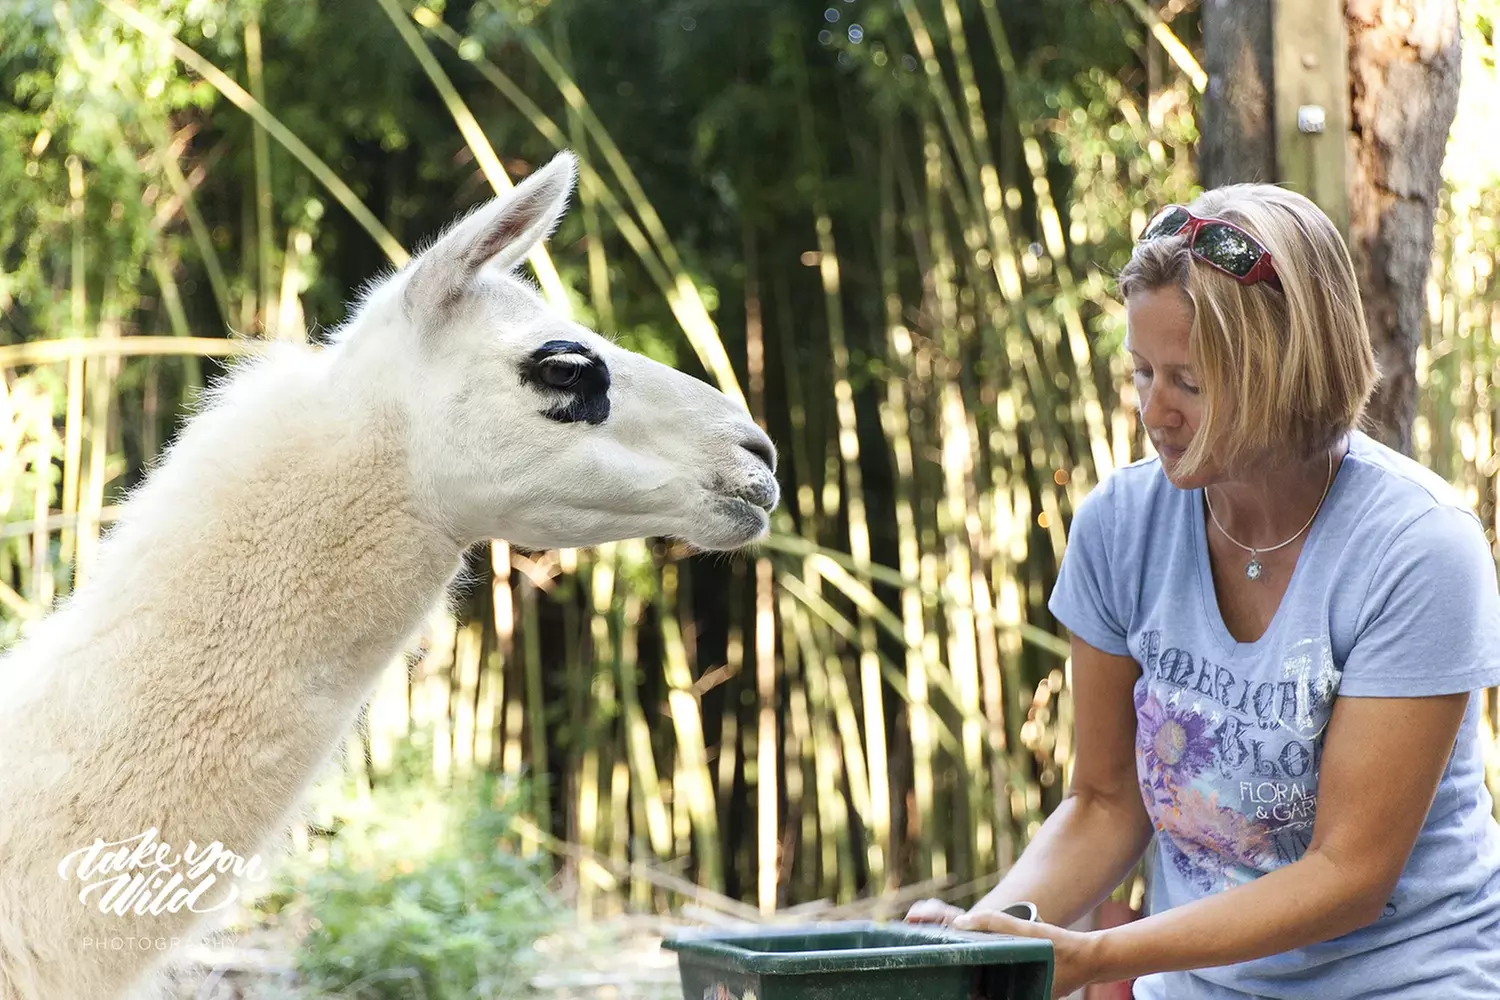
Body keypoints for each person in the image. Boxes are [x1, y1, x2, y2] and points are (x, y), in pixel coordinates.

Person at [906, 184, 1500, 998]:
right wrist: (990, 936)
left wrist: (1100, 959)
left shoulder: (1420, 549)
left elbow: (1350, 873)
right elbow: (1107, 801)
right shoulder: (1120, 526)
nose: (1155, 411)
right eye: (1142, 371)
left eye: (1188, 381)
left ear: (1284, 369)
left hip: (1406, 980)